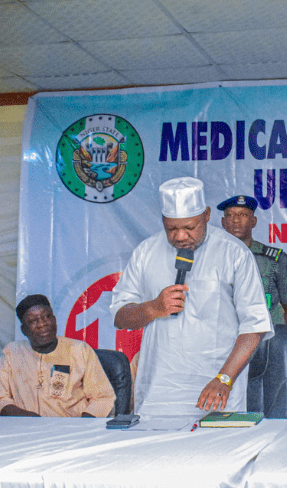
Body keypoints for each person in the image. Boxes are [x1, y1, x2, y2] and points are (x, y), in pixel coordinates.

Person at [110, 177, 273, 417]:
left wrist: (224, 379)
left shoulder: (234, 253)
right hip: (159, 394)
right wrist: (153, 308)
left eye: (189, 227)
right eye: (171, 228)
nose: (180, 237)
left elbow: (254, 326)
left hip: (217, 393)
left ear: (206, 215)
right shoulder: (146, 252)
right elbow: (120, 317)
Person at [0, 294, 115, 417]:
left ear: (54, 320)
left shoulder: (80, 350)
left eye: (46, 317)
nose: (42, 324)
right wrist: (27, 418)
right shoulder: (12, 353)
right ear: (24, 330)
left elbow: (103, 398)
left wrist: (81, 426)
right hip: (26, 429)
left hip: (70, 429)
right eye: (33, 321)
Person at [217, 194, 287, 328]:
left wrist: (276, 336)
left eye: (243, 215)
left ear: (253, 221)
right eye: (230, 215)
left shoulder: (274, 259)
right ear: (223, 222)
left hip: (265, 339)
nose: (236, 220)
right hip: (224, 338)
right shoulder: (211, 257)